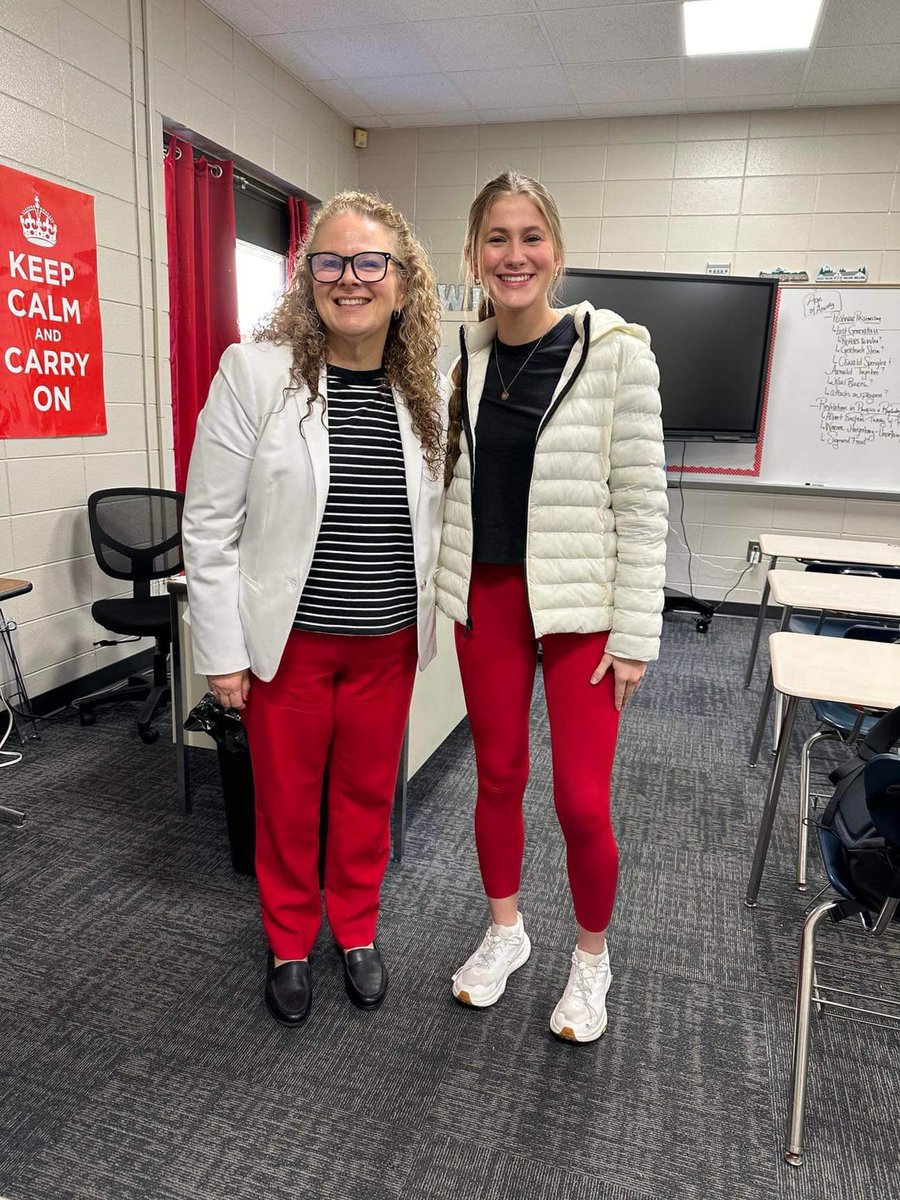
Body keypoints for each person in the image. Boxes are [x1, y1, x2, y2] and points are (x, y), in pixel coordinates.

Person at [182, 191, 448, 1026]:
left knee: (366, 802)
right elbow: (209, 522)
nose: (349, 278)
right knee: (289, 805)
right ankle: (290, 941)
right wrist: (222, 652)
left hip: (388, 643)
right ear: (308, 280)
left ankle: (356, 929)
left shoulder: (428, 392)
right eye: (329, 262)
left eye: (370, 262)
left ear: (402, 283)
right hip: (288, 645)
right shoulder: (255, 373)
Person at [436, 172, 668, 1043]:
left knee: (581, 801)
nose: (514, 255)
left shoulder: (616, 355)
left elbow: (642, 505)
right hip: (487, 599)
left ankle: (591, 958)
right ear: (474, 256)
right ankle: (507, 932)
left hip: (583, 610)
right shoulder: (464, 364)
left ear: (557, 252)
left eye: (530, 236)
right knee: (498, 777)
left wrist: (635, 634)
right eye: (496, 239)